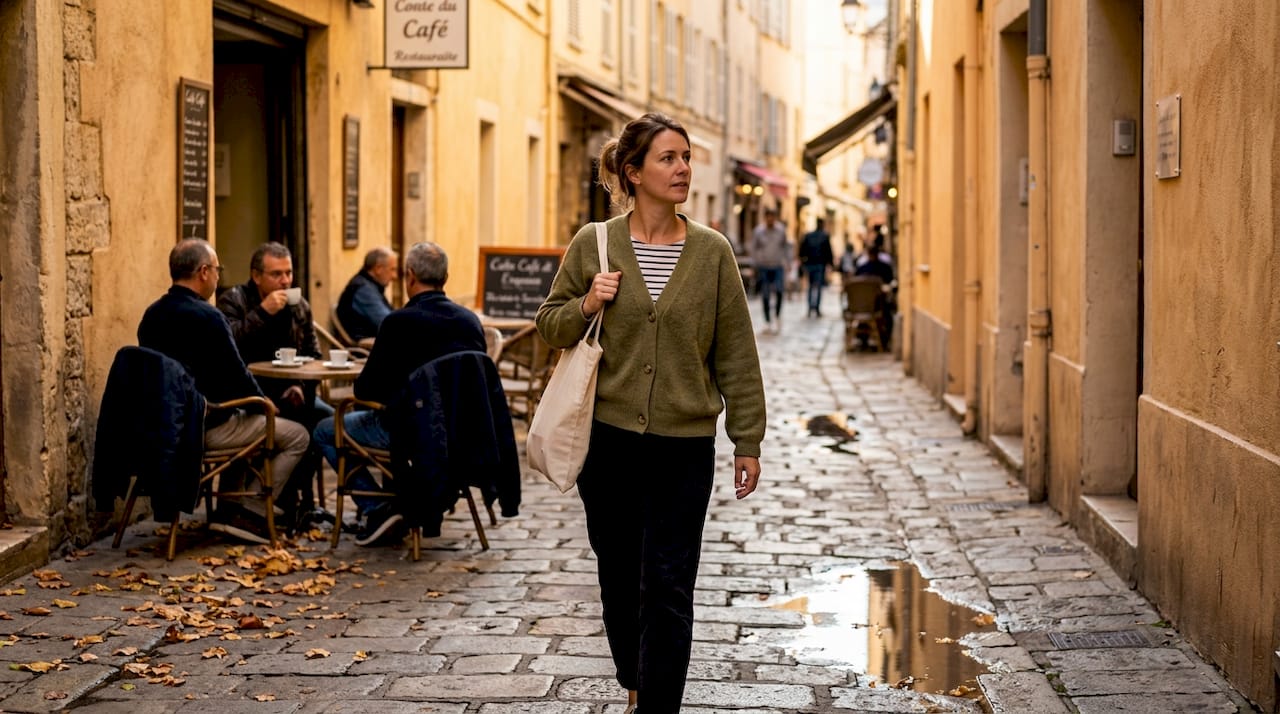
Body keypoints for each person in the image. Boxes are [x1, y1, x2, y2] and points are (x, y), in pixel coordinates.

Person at [535, 112, 766, 714]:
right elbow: (549, 325)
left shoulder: (712, 253)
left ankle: (658, 707)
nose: (683, 168)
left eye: (686, 157)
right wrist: (588, 302)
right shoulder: (595, 243)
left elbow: (736, 352)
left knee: (669, 583)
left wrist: (747, 439)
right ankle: (635, 682)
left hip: (683, 449)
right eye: (668, 158)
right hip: (608, 445)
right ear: (633, 172)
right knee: (619, 577)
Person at [312, 241, 487, 547]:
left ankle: (378, 507)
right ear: (445, 277)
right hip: (461, 434)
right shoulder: (469, 322)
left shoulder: (398, 323)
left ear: (410, 275)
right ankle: (392, 502)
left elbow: (366, 390)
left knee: (325, 429)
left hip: (408, 435)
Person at [138, 238, 310, 545]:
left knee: (245, 417)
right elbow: (236, 376)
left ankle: (229, 507)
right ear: (204, 272)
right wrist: (265, 404)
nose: (218, 277)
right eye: (217, 270)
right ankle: (250, 511)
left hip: (161, 427)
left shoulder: (151, 315)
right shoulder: (209, 317)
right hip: (199, 428)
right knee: (297, 435)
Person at [217, 242, 331, 530]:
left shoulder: (299, 306)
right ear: (256, 276)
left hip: (290, 391)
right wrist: (262, 313)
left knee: (328, 421)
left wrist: (300, 387)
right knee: (298, 424)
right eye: (276, 274)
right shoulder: (234, 300)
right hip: (249, 394)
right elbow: (228, 347)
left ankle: (297, 503)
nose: (285, 281)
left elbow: (314, 355)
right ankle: (273, 503)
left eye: (288, 273)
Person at [336, 247, 399, 342]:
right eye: (392, 269)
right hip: (369, 345)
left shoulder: (370, 285)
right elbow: (390, 325)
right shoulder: (363, 290)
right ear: (378, 269)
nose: (395, 276)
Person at [750, 207, 788, 332]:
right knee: (765, 294)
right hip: (764, 267)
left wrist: (788, 262)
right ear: (765, 218)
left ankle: (777, 316)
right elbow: (754, 248)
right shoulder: (758, 231)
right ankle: (767, 321)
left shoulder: (781, 230)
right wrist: (754, 264)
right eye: (768, 217)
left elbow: (785, 247)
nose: (770, 219)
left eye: (772, 217)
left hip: (777, 266)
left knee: (779, 291)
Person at [798, 217, 834, 317]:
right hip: (819, 264)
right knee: (818, 287)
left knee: (810, 286)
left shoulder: (809, 235)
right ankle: (816, 308)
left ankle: (810, 307)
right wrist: (830, 263)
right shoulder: (824, 236)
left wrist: (803, 260)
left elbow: (802, 250)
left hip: (810, 264)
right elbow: (828, 251)